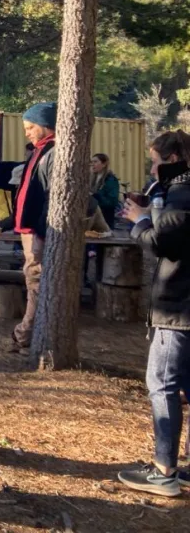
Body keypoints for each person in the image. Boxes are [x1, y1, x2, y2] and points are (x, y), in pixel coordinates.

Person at [117, 130, 190, 497]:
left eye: (154, 160)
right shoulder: (176, 192)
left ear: (173, 157)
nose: (151, 167)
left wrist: (139, 220)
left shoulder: (182, 191)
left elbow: (165, 243)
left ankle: (164, 472)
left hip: (178, 308)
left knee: (162, 385)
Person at [11, 102, 57, 351]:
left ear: (45, 125)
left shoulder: (53, 152)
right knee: (32, 279)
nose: (27, 132)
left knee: (36, 281)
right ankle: (26, 331)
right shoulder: (39, 151)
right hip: (27, 229)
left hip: (37, 232)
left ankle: (26, 333)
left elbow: (51, 197)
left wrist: (40, 230)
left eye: (30, 127)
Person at [91, 153, 120, 229]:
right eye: (92, 162)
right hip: (94, 218)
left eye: (95, 162)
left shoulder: (110, 180)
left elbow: (112, 201)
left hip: (106, 218)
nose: (92, 164)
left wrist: (96, 196)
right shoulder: (93, 179)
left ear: (104, 164)